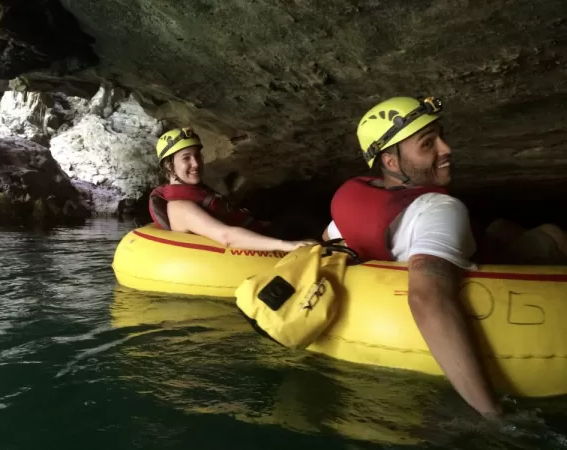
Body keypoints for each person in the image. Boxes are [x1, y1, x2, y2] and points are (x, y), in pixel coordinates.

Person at [323, 96, 505, 419]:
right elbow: (426, 299)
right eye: (428, 144)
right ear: (392, 163)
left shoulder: (357, 203)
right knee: (551, 236)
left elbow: (327, 241)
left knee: (506, 227)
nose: (446, 149)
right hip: (498, 270)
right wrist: (493, 416)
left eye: (441, 136)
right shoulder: (440, 210)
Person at [148, 127, 316, 252]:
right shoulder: (180, 207)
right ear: (170, 166)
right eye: (186, 158)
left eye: (197, 156)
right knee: (302, 219)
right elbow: (226, 237)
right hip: (244, 252)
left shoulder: (193, 192)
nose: (196, 164)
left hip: (256, 232)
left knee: (290, 211)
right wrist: (287, 246)